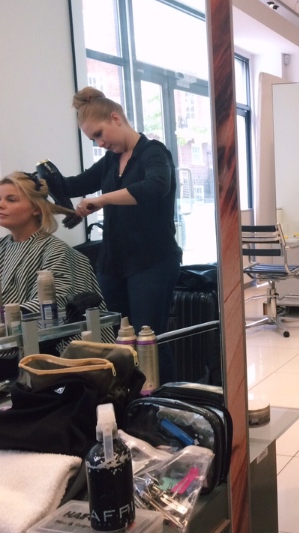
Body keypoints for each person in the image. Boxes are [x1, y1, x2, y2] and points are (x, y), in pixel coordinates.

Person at [62, 87, 182, 382]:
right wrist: (42, 180)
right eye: (93, 140)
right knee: (119, 340)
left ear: (115, 118)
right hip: (113, 263)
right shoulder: (110, 161)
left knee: (148, 339)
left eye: (99, 134)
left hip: (152, 262)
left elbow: (156, 186)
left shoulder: (154, 152)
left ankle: (162, 397)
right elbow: (74, 185)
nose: (100, 143)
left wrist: (102, 200)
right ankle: (130, 399)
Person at [0, 172, 109, 384]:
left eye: (11, 199)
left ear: (35, 208)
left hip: (32, 351)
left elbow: (53, 306)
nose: (0, 206)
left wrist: (3, 320)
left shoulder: (56, 251)